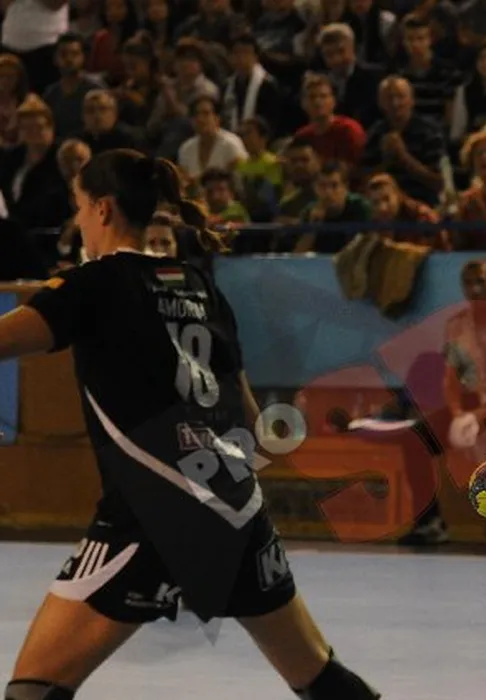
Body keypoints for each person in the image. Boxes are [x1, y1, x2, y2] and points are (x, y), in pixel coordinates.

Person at [0, 149, 379, 700]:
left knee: (33, 688)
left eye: (78, 207)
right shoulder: (199, 285)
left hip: (153, 510)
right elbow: (250, 418)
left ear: (103, 209)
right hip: (236, 504)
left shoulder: (92, 284)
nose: (77, 221)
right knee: (317, 674)